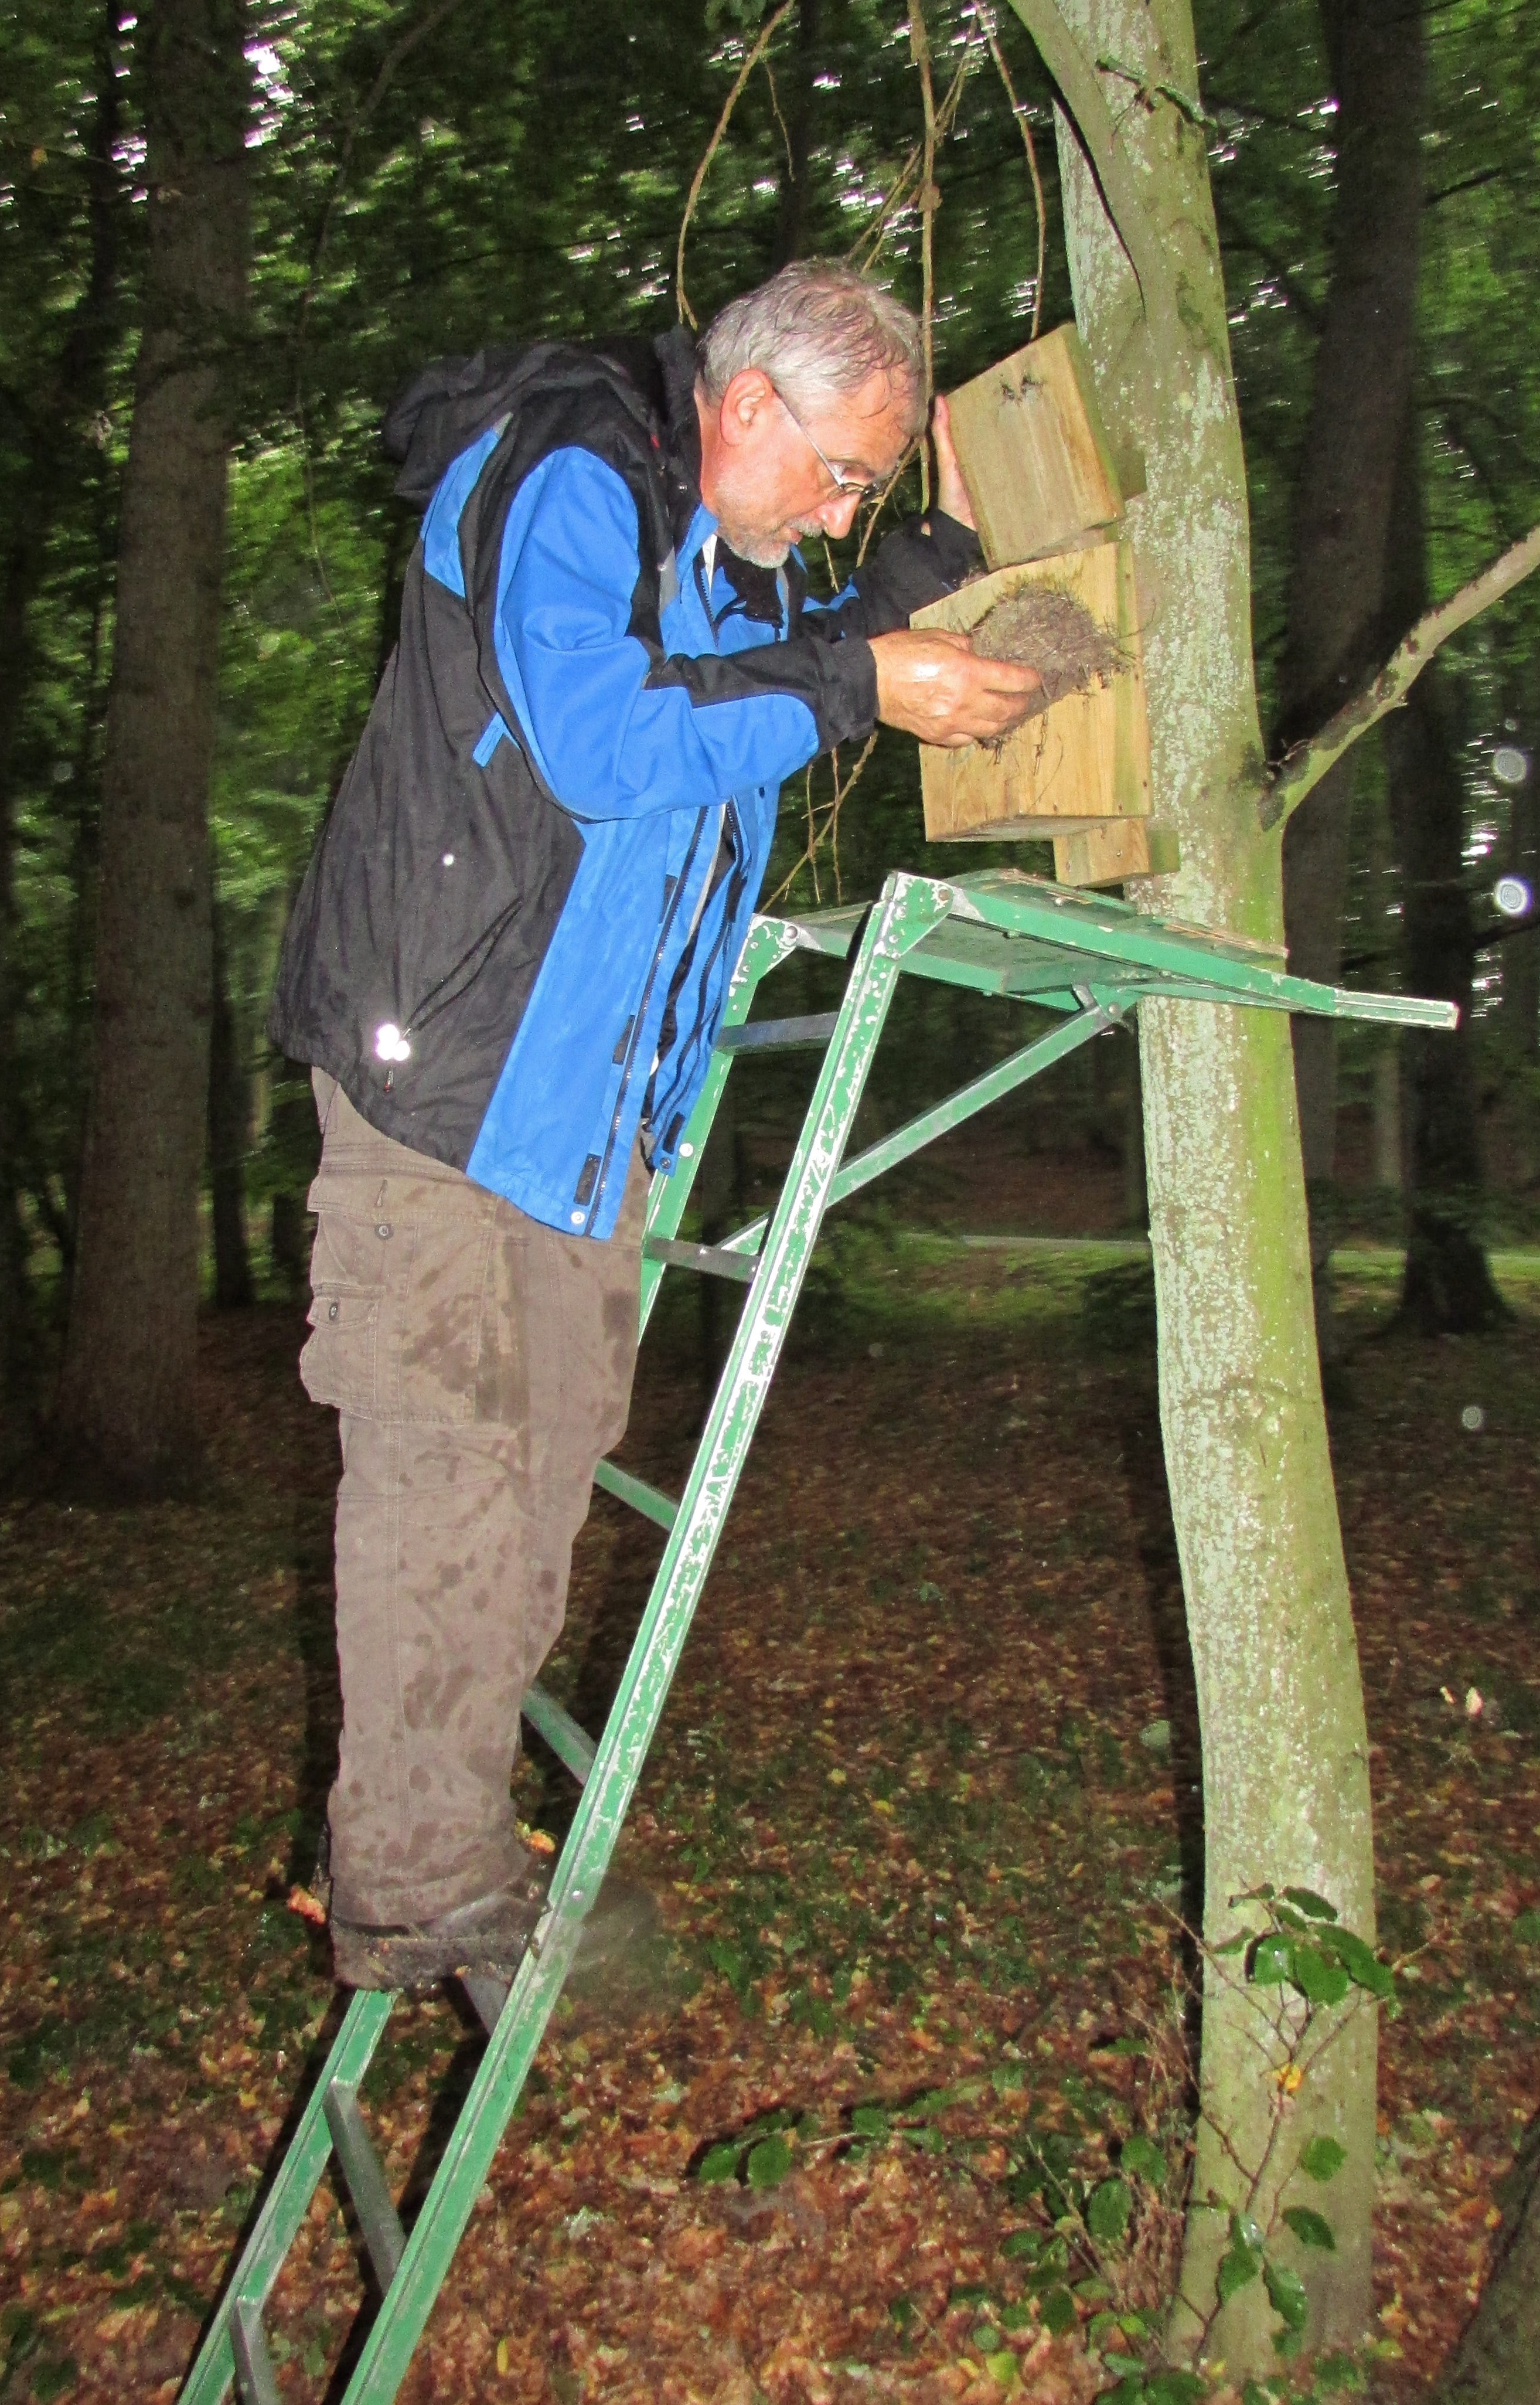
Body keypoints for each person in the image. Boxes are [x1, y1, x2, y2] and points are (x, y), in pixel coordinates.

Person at [268, 260, 1041, 1990]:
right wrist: (860, 684)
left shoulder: (702, 553)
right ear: (745, 406)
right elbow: (611, 740)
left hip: (579, 1115)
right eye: (842, 478)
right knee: (446, 1462)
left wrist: (893, 605)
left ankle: (448, 1821)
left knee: (545, 1466)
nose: (843, 516)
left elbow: (739, 688)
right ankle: (412, 1881)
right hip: (445, 1082)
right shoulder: (571, 470)